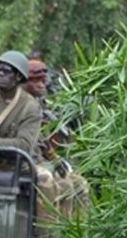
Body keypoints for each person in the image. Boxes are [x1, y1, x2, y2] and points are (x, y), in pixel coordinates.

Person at [24, 58, 90, 218]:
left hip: (39, 161)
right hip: (26, 162)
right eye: (35, 81)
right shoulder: (22, 105)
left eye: (42, 81)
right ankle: (48, 236)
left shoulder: (40, 105)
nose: (41, 85)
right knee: (65, 185)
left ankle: (76, 232)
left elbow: (44, 143)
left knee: (80, 183)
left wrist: (56, 161)